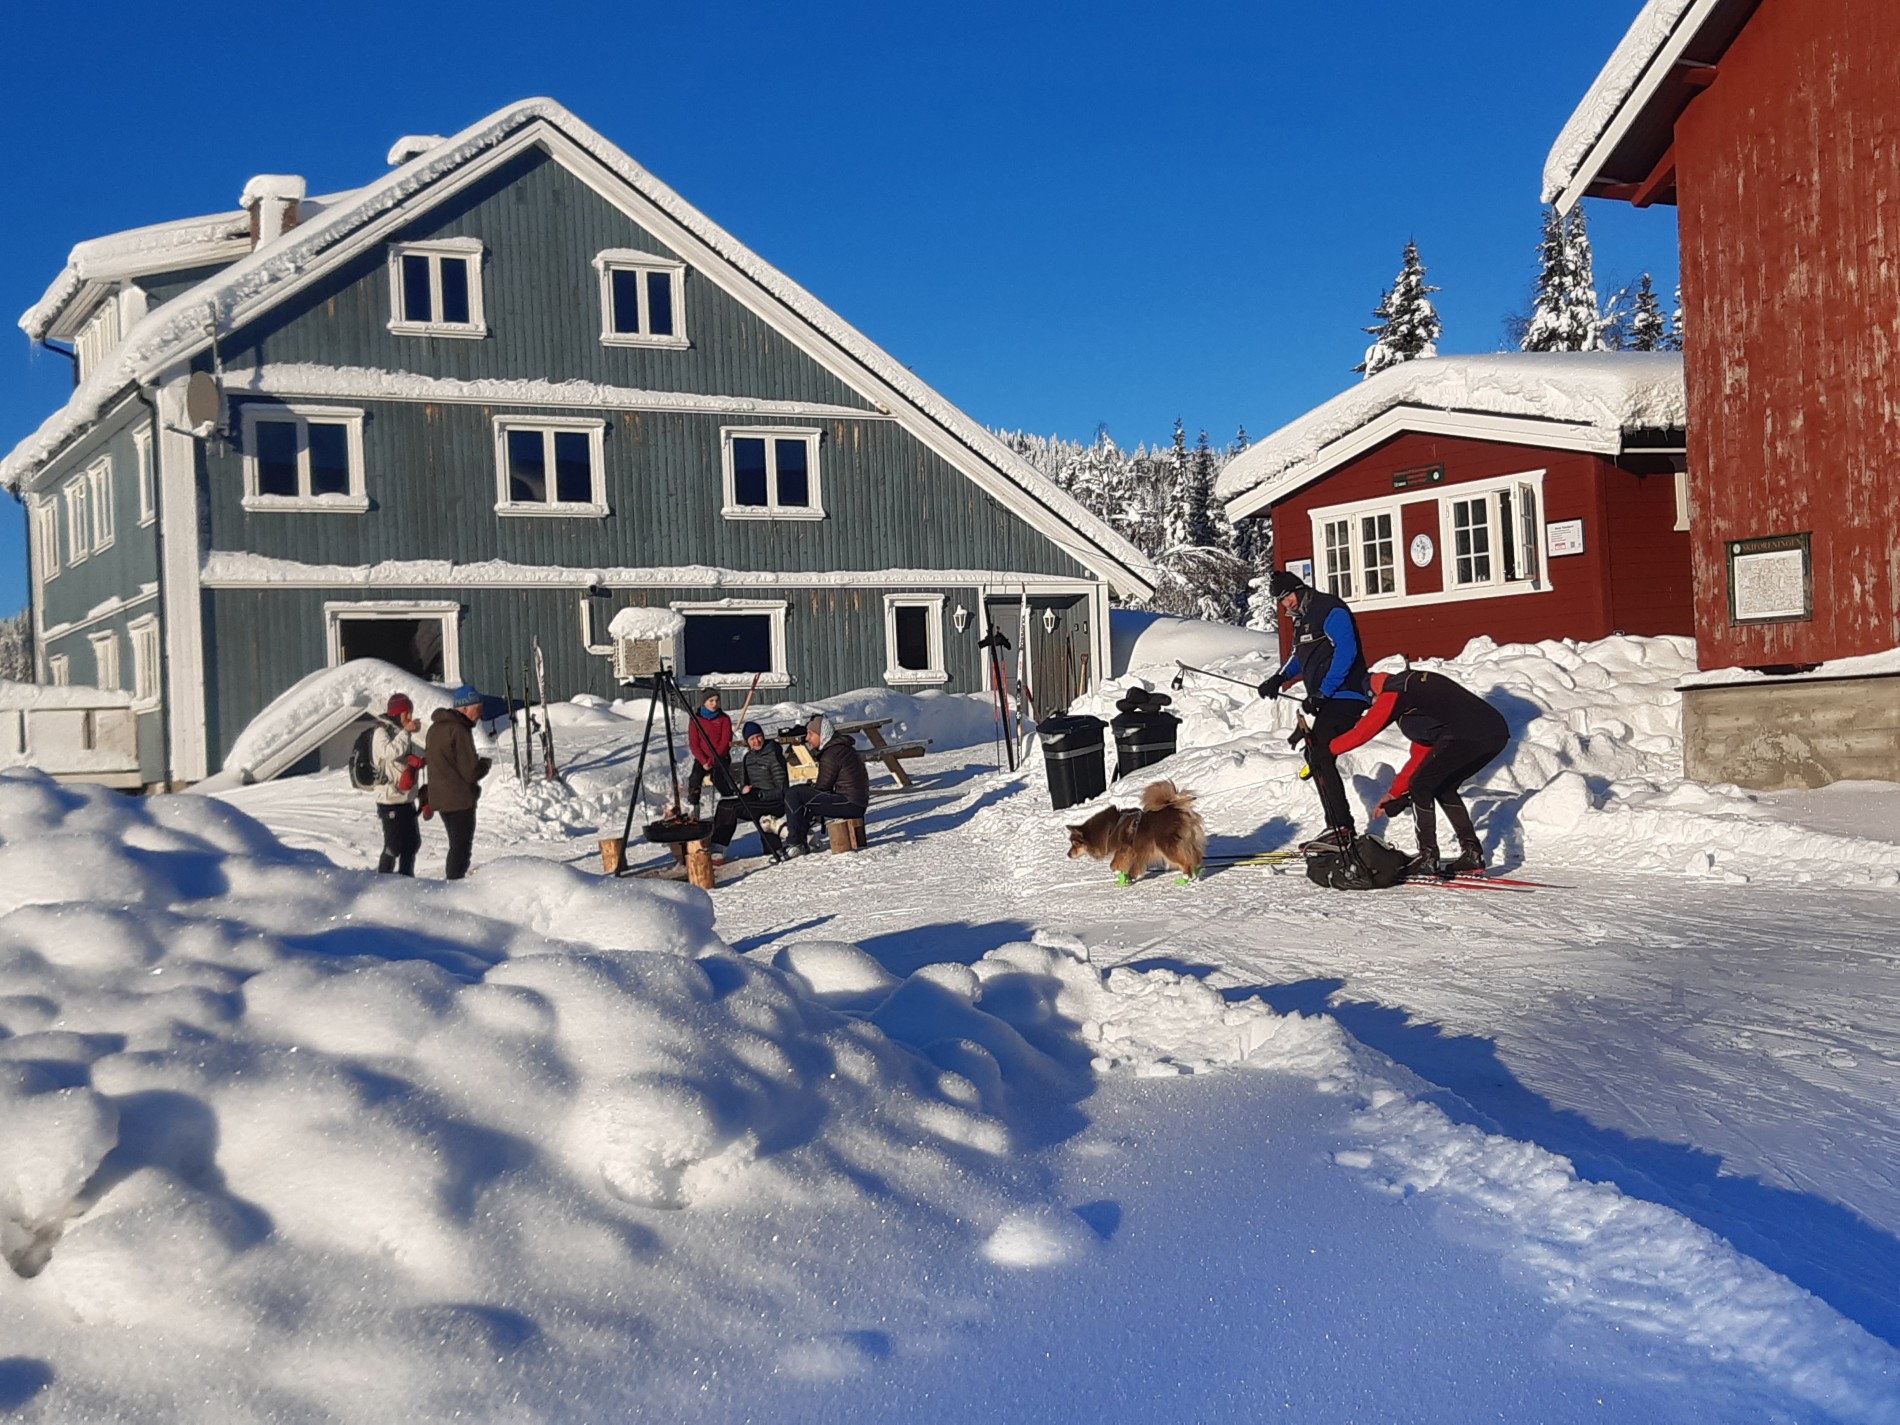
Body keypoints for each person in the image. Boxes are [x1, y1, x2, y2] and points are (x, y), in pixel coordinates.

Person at [1329, 667, 1511, 877]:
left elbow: (1364, 731)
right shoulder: (1417, 699)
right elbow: (1421, 756)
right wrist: (1394, 793)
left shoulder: (1396, 689)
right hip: (1495, 734)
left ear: (1374, 695)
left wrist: (1327, 749)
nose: (1374, 708)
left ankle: (1427, 857)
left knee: (1422, 786)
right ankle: (1472, 854)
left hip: (1465, 734)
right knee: (1444, 787)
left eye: (1372, 704)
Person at [1256, 570, 1372, 852]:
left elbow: (1347, 651)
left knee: (1318, 751)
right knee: (1315, 751)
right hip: (1328, 697)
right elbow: (1299, 656)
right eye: (1281, 602)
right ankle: (1337, 825)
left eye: (1288, 597)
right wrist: (1279, 678)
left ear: (1300, 589)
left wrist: (1323, 692)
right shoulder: (1303, 621)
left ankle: (1341, 827)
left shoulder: (1330, 609)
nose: (1286, 605)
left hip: (1348, 693)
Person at [426, 683, 491, 880]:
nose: (479, 714)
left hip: (440, 797)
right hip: (459, 798)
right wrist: (484, 765)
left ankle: (453, 880)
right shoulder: (459, 730)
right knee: (461, 848)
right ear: (464, 708)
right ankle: (454, 887)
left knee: (455, 844)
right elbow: (470, 771)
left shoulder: (435, 728)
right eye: (477, 709)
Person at [781, 714, 869, 858]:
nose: (807, 738)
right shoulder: (839, 748)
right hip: (855, 801)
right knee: (803, 795)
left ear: (821, 735)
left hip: (849, 803)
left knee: (794, 794)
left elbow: (822, 787)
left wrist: (807, 793)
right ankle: (802, 840)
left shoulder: (832, 753)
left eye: (810, 734)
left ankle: (795, 843)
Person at [708, 720, 790, 863]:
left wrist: (761, 794)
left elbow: (782, 789)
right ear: (747, 741)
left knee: (731, 808)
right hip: (755, 799)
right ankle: (716, 846)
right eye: (752, 739)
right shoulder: (748, 758)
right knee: (724, 805)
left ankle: (718, 849)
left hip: (773, 801)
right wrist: (744, 789)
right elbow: (744, 784)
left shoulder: (773, 755)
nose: (756, 741)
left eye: (758, 737)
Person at [370, 693, 426, 876]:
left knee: (411, 843)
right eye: (406, 713)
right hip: (389, 799)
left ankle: (406, 878)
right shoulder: (381, 731)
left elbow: (399, 762)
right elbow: (389, 753)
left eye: (410, 713)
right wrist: (406, 732)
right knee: (394, 845)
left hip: (405, 797)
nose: (409, 718)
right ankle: (383, 878)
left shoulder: (400, 732)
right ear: (397, 713)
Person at [685, 690, 733, 814]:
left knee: (719, 779)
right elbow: (694, 744)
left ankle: (730, 804)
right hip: (703, 758)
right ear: (704, 703)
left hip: (720, 756)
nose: (714, 704)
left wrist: (712, 760)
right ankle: (694, 806)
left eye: (716, 700)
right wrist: (703, 761)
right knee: (694, 779)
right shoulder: (696, 720)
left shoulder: (724, 719)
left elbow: (725, 742)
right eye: (711, 701)